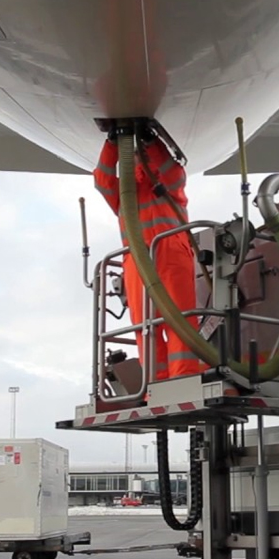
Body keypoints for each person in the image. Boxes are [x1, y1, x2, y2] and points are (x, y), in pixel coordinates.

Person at [94, 128, 202, 380]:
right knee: (146, 328)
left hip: (169, 255)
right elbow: (102, 179)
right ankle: (155, 384)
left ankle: (182, 380)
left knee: (179, 321)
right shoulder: (125, 193)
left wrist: (152, 142)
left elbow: (173, 173)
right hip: (139, 260)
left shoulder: (167, 184)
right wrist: (111, 144)